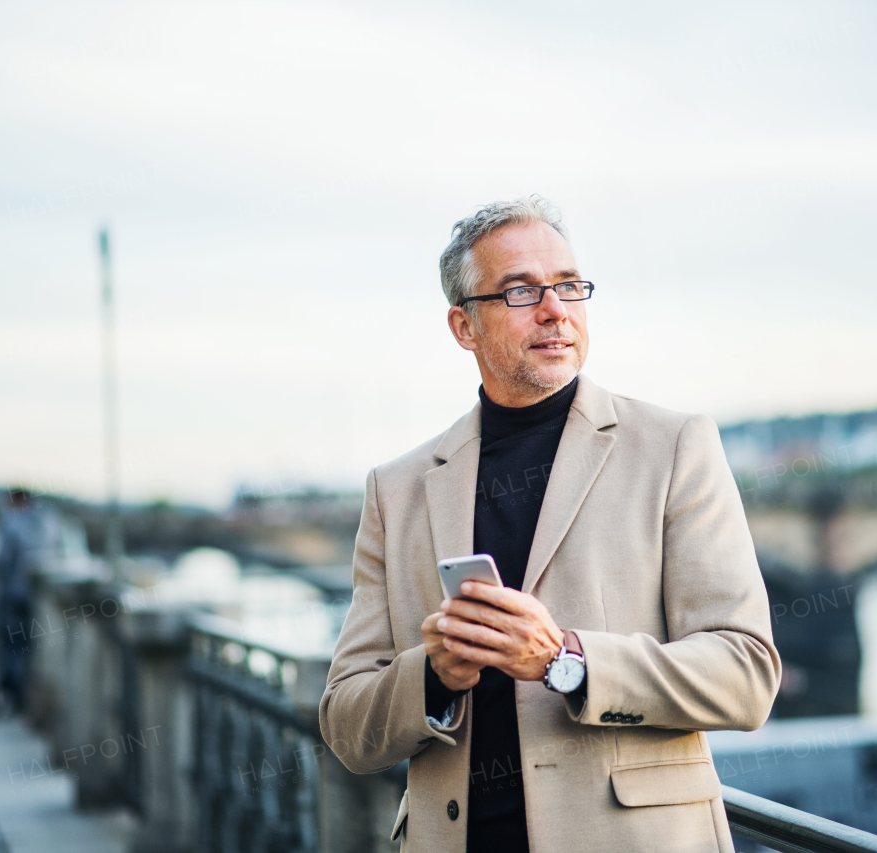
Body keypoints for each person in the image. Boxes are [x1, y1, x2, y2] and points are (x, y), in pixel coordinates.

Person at [319, 197, 781, 853]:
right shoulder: (395, 490)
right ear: (464, 325)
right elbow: (346, 724)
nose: (555, 309)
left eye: (568, 285)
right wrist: (434, 674)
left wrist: (567, 660)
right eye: (520, 291)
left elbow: (747, 673)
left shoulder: (675, 445)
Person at [0, 487, 55, 715]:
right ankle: (22, 697)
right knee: (27, 646)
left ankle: (11, 695)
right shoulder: (49, 521)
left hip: (13, 594)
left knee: (11, 646)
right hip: (37, 598)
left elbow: (1, 559)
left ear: (16, 500)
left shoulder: (12, 522)